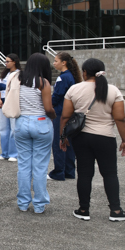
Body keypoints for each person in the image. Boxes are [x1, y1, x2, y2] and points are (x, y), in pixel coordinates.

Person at [61, 59, 125, 222]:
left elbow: (65, 116)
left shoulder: (74, 89)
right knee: (110, 173)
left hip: (81, 138)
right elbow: (120, 118)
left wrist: (62, 137)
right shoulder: (113, 90)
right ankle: (116, 211)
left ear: (85, 72)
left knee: (84, 173)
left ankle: (83, 210)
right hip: (105, 138)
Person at [14, 53, 55, 214]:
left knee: (24, 165)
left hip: (21, 122)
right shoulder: (43, 82)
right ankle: (39, 204)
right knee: (40, 166)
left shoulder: (19, 80)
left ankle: (23, 203)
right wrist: (54, 116)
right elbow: (48, 108)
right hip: (40, 122)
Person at [49, 52, 81, 181]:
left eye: (56, 61)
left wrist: (48, 106)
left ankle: (59, 172)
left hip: (60, 113)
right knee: (68, 142)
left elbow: (57, 95)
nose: (54, 63)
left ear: (64, 63)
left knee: (59, 142)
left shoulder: (63, 77)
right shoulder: (70, 76)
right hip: (69, 113)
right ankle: (69, 171)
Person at [0, 54, 21, 162]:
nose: (6, 63)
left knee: (13, 128)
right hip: (3, 102)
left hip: (12, 102)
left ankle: (13, 153)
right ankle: (4, 152)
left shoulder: (19, 74)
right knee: (3, 128)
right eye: (5, 61)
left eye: (8, 61)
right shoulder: (5, 74)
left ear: (14, 62)